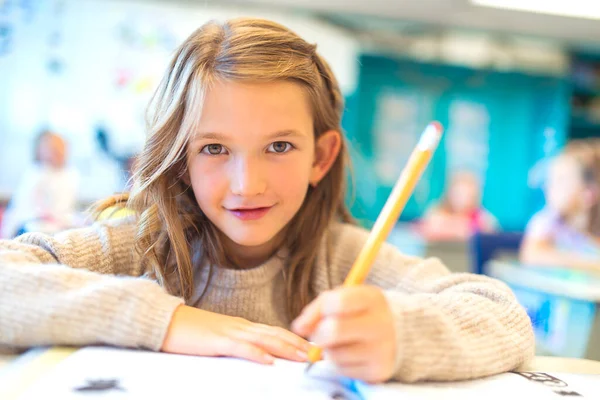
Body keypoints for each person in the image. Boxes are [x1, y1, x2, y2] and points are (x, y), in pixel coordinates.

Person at [0, 18, 533, 384]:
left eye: (279, 146)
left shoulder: (340, 257)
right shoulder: (139, 247)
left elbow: (505, 317)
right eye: (213, 149)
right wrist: (169, 322)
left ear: (320, 158)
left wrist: (401, 335)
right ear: (180, 158)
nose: (246, 183)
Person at [520, 140, 600, 271]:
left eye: (560, 180)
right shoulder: (547, 219)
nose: (548, 186)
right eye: (550, 179)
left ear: (588, 195)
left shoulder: (594, 226)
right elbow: (531, 254)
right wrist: (588, 263)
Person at [0, 130, 79, 239]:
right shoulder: (35, 173)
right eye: (52, 149)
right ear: (39, 151)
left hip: (57, 223)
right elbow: (33, 207)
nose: (58, 152)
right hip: (27, 222)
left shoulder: (68, 175)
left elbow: (65, 208)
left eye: (61, 148)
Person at [418, 171, 498, 241]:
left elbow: (489, 234)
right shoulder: (436, 211)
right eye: (459, 194)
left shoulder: (483, 218)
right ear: (450, 194)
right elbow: (431, 228)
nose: (463, 200)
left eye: (468, 196)